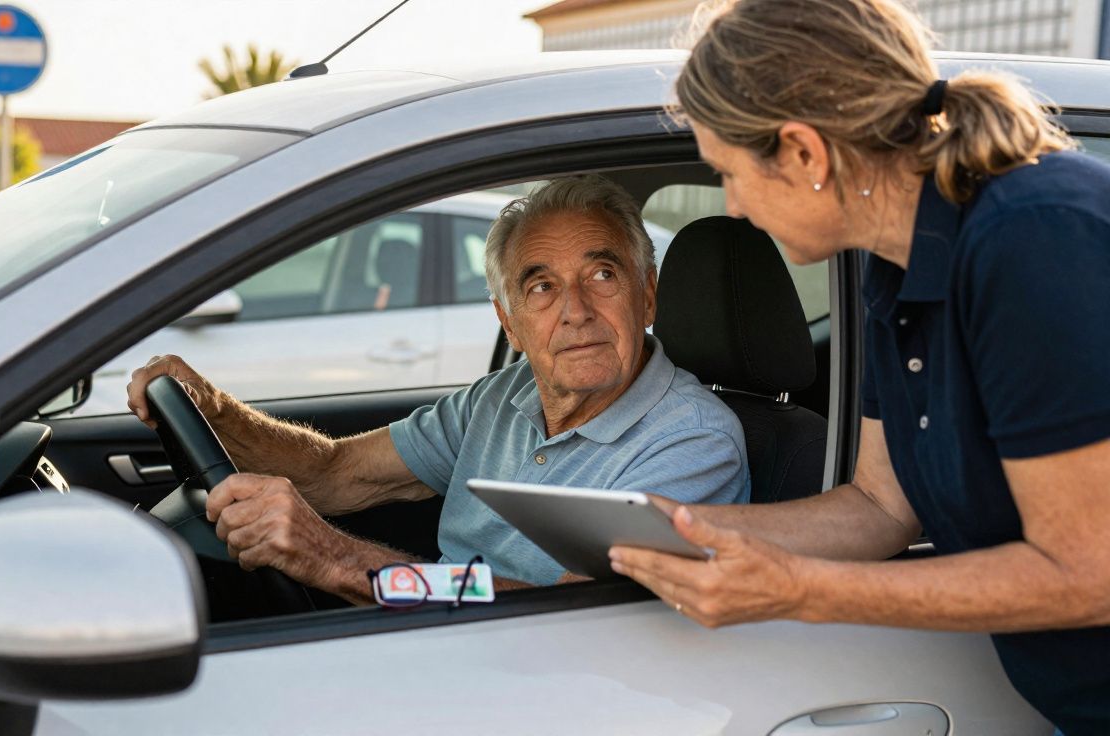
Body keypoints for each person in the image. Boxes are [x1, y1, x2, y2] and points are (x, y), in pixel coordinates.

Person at [607, 1, 1110, 733]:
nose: (736, 209)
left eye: (731, 175)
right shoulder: (892, 268)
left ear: (806, 152)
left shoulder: (1034, 242)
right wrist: (675, 527)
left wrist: (800, 592)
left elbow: (1090, 572)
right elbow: (880, 507)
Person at [128, 175, 749, 606]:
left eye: (603, 274)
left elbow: (574, 618)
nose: (576, 310)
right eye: (541, 288)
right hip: (441, 648)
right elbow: (336, 472)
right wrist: (213, 409)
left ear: (648, 294)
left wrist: (340, 563)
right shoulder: (501, 397)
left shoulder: (692, 440)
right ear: (509, 321)